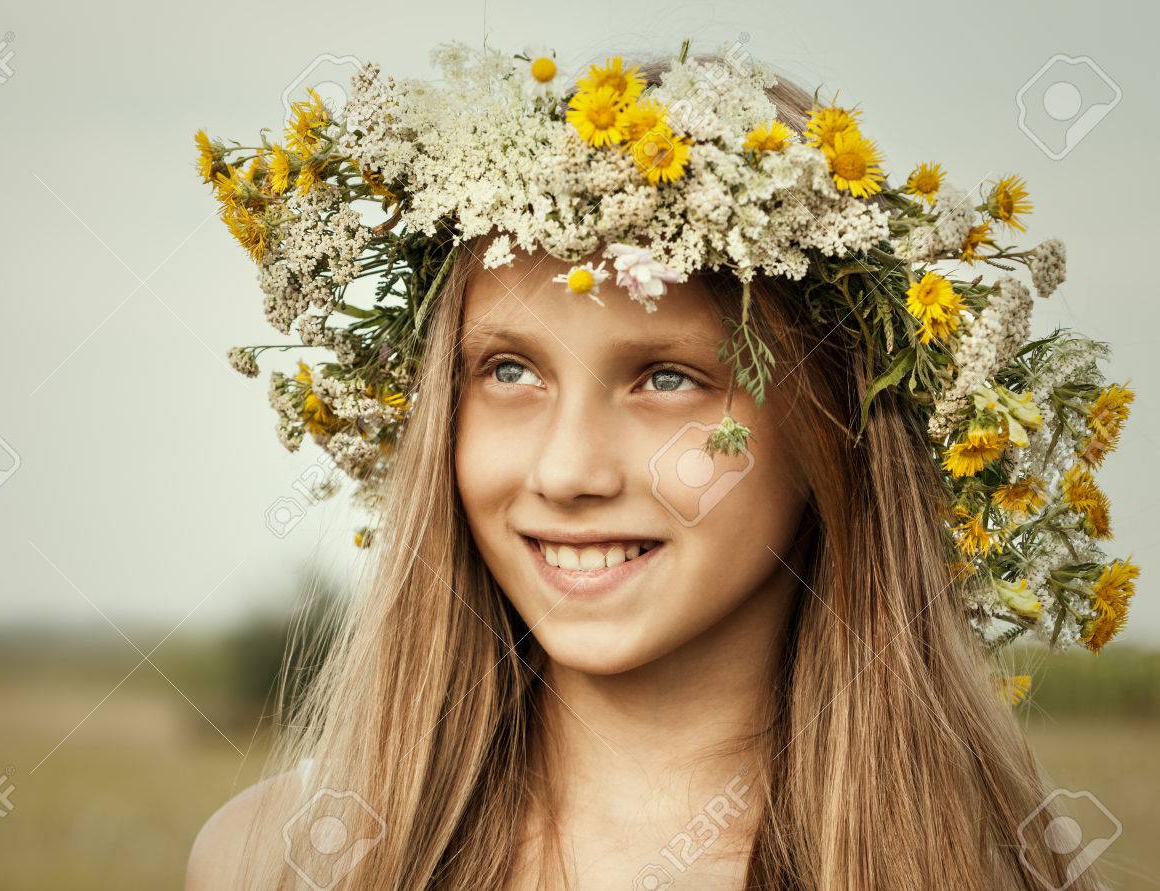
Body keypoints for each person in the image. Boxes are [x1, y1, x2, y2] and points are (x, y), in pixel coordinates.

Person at [186, 40, 1131, 890]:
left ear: (830, 426)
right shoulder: (272, 861)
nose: (566, 471)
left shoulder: (989, 870)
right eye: (509, 370)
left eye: (667, 378)